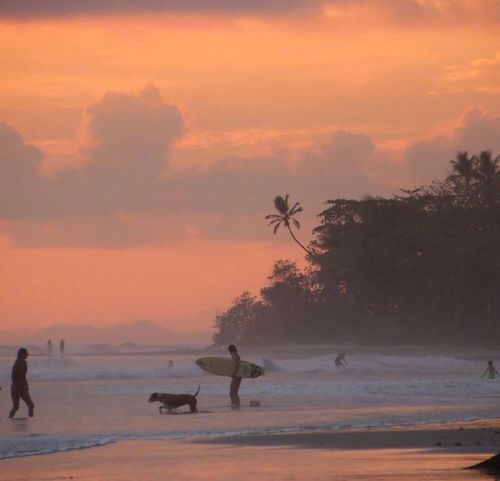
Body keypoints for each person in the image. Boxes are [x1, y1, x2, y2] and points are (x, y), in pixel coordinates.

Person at [9, 348, 35, 418]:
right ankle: (9, 420)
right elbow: (13, 376)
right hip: (16, 387)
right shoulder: (17, 363)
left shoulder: (24, 363)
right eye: (26, 353)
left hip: (22, 387)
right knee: (15, 407)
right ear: (22, 354)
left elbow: (23, 376)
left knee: (31, 405)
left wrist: (26, 385)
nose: (27, 355)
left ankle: (31, 419)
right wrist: (18, 386)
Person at [228, 344, 242, 409]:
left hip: (236, 375)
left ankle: (234, 404)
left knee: (232, 392)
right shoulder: (237, 355)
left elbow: (236, 365)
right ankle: (237, 405)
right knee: (235, 392)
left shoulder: (234, 355)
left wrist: (233, 373)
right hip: (239, 375)